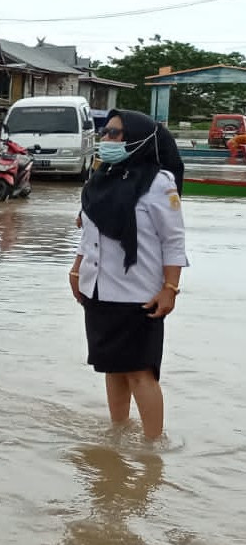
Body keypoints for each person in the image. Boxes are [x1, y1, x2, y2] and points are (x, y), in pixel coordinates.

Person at [69, 110, 188, 440]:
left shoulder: (158, 183)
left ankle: (153, 448)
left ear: (139, 139)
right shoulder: (100, 179)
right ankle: (118, 432)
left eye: (116, 134)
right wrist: (77, 269)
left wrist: (170, 288)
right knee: (113, 368)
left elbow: (173, 240)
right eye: (105, 132)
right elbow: (91, 232)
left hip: (139, 294)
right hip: (98, 290)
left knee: (139, 372)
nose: (107, 139)